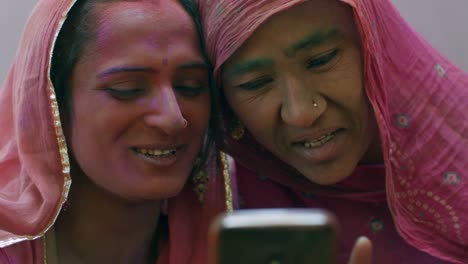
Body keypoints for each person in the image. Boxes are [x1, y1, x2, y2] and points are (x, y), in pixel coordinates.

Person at [198, 0, 468, 263]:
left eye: (321, 61)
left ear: (376, 46)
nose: (301, 114)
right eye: (255, 83)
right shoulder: (216, 209)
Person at [0, 0, 234, 263]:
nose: (173, 118)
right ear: (49, 105)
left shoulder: (247, 237)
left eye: (191, 86)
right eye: (128, 88)